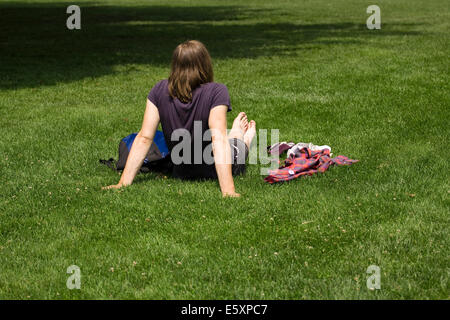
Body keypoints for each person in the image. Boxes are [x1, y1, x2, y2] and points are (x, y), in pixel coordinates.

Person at [103, 40, 256, 197]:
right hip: (214, 170)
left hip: (181, 171)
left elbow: (144, 138)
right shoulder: (217, 91)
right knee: (236, 146)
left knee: (225, 140)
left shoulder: (159, 90)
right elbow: (218, 138)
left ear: (175, 65)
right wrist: (228, 191)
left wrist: (122, 183)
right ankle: (243, 137)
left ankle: (236, 133)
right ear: (205, 63)